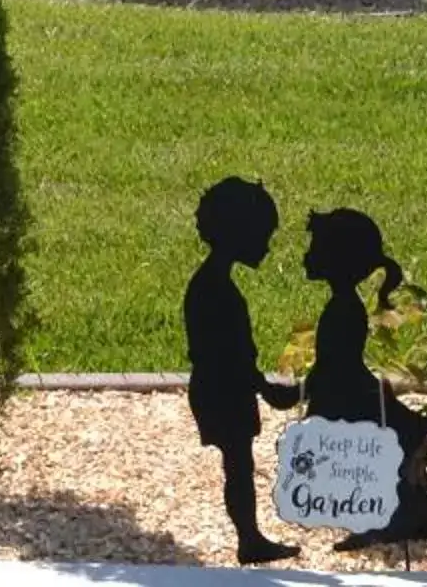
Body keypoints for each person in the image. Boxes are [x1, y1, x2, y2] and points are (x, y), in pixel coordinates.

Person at [299, 206, 427, 548]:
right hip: (344, 393)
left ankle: (400, 513)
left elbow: (335, 365)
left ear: (337, 260)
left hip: (346, 398)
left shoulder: (343, 310)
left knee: (367, 455)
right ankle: (378, 513)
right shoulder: (342, 306)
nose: (306, 255)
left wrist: (296, 394)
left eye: (315, 248)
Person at [185, 178, 301, 564]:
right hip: (222, 391)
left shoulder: (212, 284)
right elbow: (227, 357)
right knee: (238, 465)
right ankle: (249, 540)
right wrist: (266, 390)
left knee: (240, 465)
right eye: (262, 236)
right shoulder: (215, 290)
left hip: (224, 386)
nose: (267, 246)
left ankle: (250, 537)